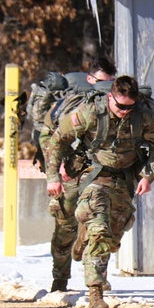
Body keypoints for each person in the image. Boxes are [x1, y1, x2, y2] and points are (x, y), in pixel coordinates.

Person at [45, 75, 154, 308]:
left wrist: (148, 176)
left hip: (124, 178)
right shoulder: (91, 113)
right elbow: (59, 139)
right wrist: (53, 177)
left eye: (129, 107)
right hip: (93, 175)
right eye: (120, 106)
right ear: (110, 97)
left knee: (113, 237)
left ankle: (83, 239)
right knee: (99, 231)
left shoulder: (143, 117)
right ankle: (96, 294)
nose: (124, 111)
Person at [38, 57, 116, 293]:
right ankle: (59, 279)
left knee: (102, 223)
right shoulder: (71, 104)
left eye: (111, 82)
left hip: (100, 173)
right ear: (90, 80)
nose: (106, 88)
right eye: (102, 82)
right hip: (71, 172)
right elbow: (48, 137)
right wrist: (54, 171)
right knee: (65, 227)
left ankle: (97, 278)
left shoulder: (116, 106)